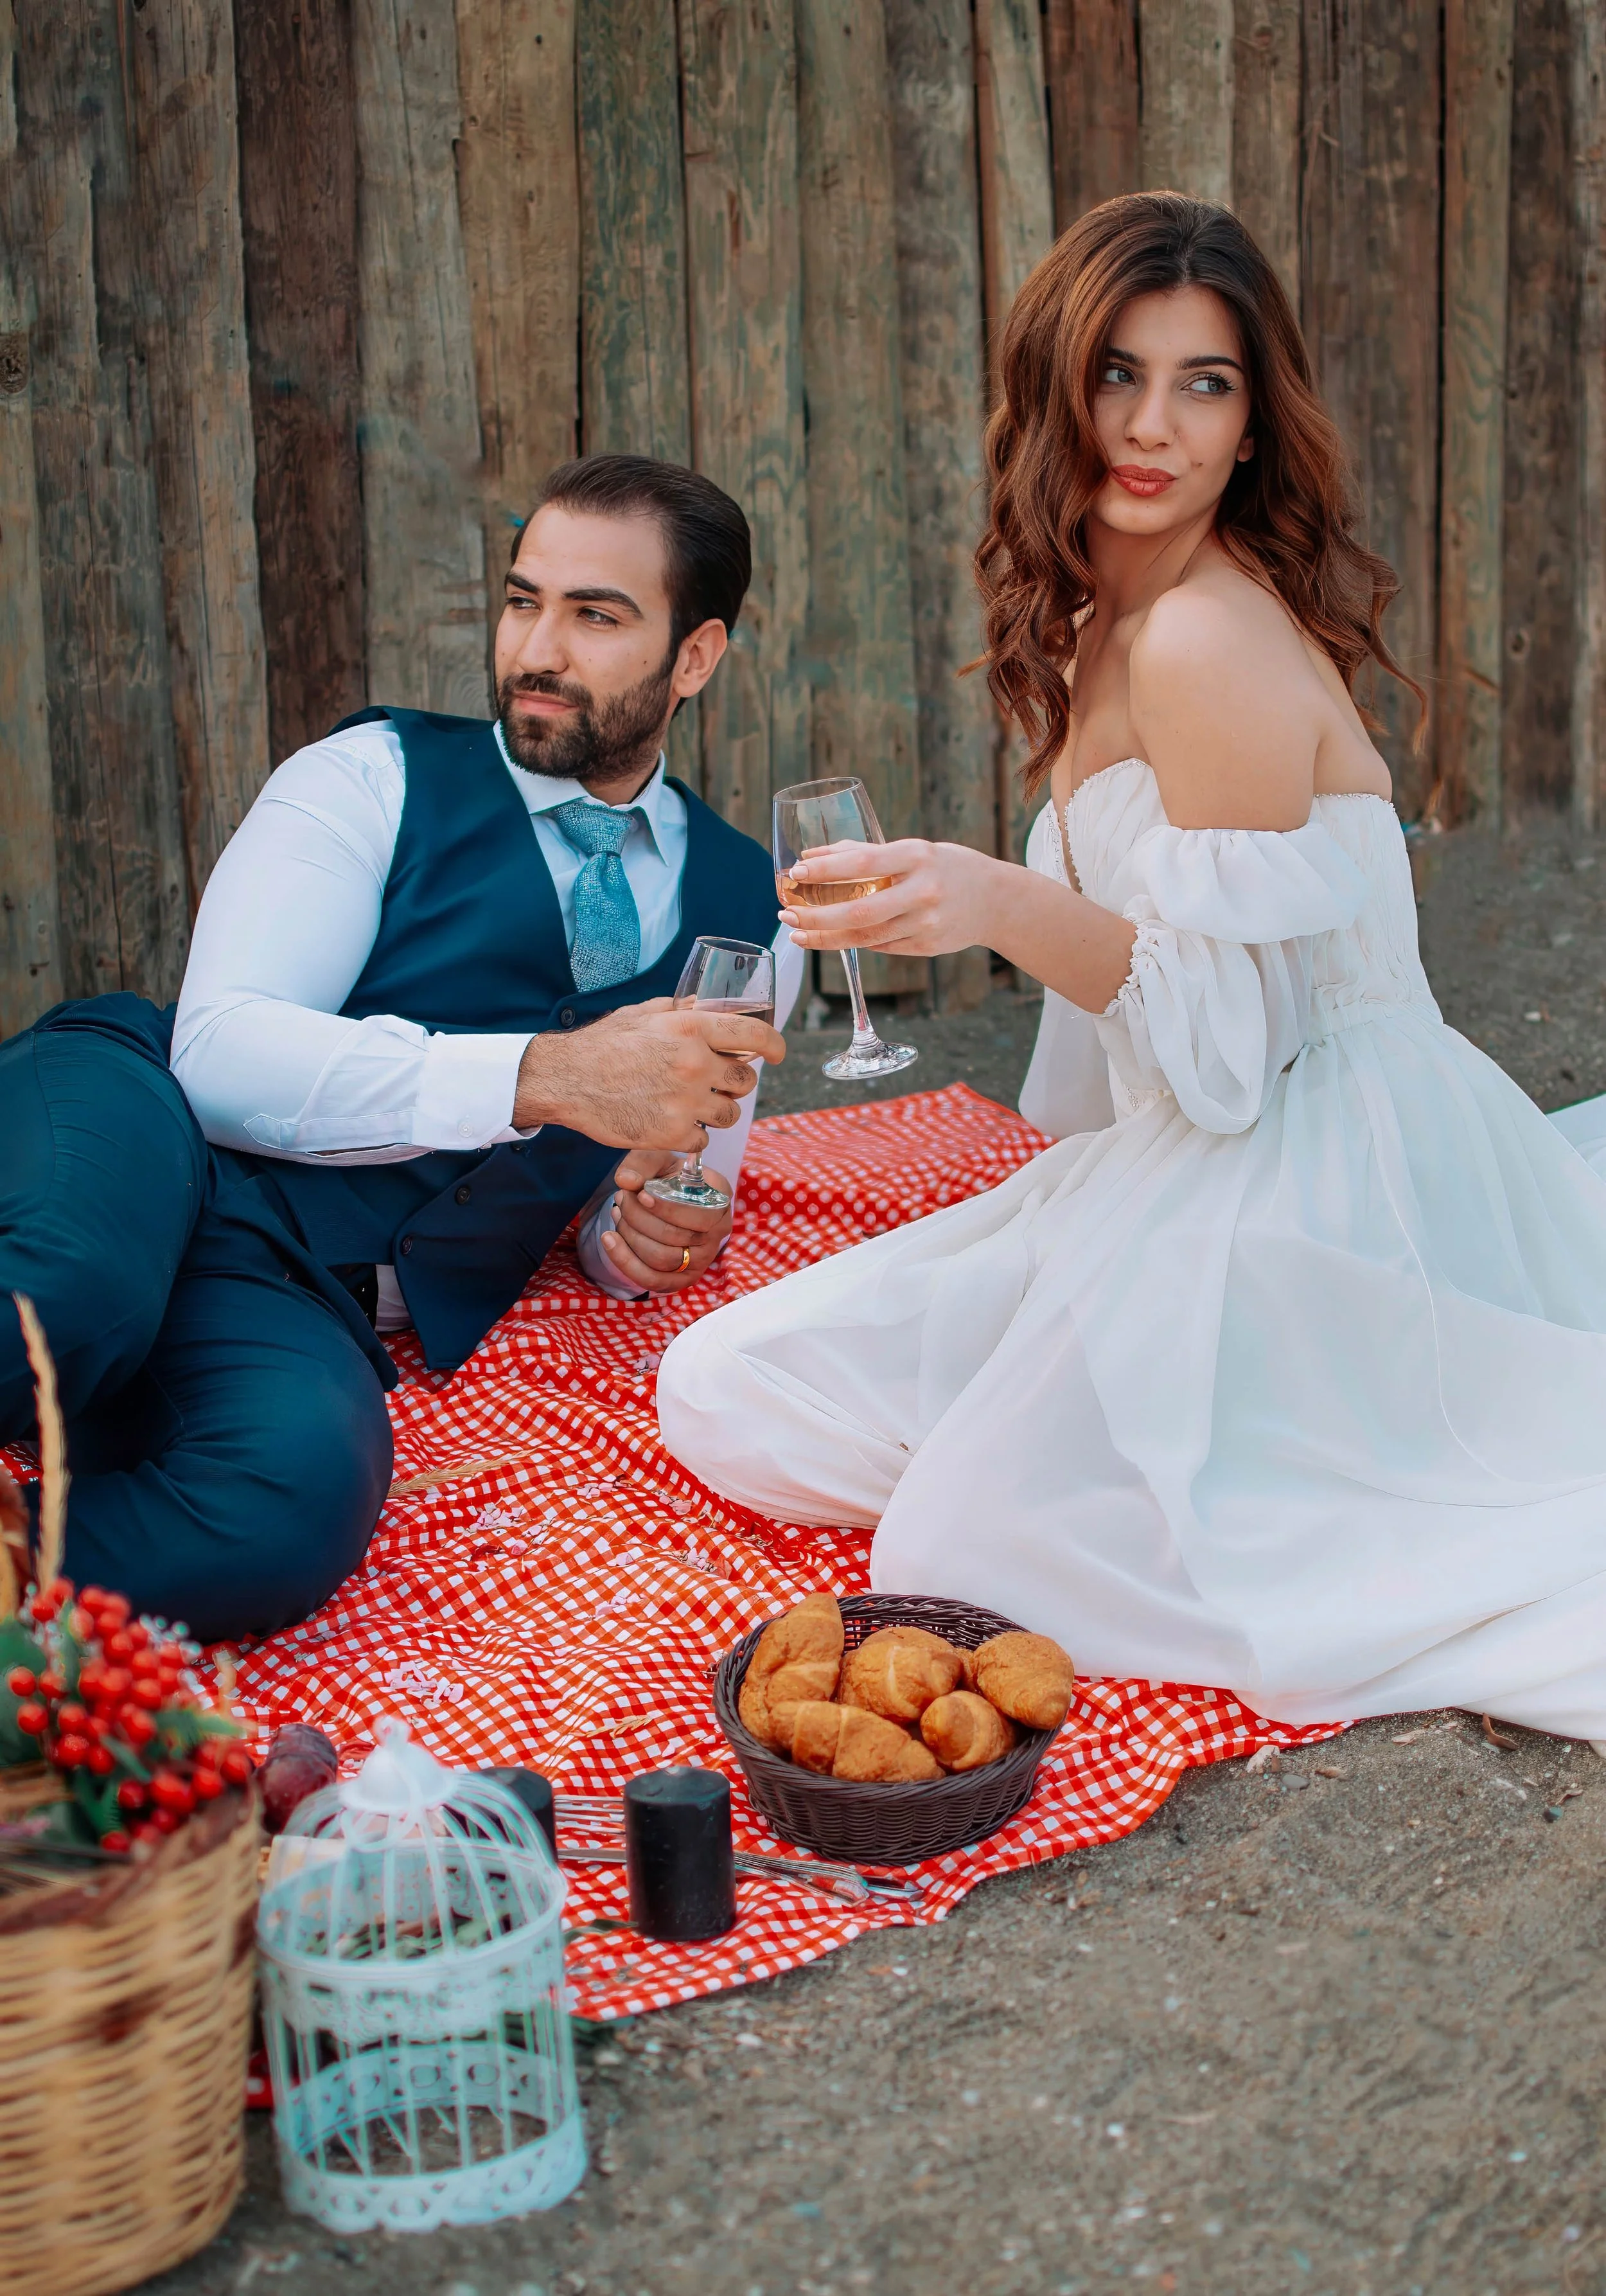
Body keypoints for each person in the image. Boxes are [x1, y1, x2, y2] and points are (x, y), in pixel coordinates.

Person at [658, 193, 1606, 1743]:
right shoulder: (1112, 609)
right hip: (1191, 1151)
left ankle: (1259, 1448)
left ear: (1251, 426)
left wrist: (987, 900)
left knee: (971, 1545)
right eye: (1117, 374)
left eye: (1203, 383)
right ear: (1057, 389)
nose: (1152, 425)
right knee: (729, 1386)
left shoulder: (1197, 641)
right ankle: (1164, 1436)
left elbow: (1233, 1058)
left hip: (1320, 1176)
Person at [0, 456, 793, 1642]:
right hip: (140, 1131)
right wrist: (547, 1074)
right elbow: (219, 1055)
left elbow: (638, 1193)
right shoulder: (368, 778)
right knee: (65, 1304)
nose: (539, 650)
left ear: (696, 655)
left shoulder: (747, 911)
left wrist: (630, 1239)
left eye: (597, 616)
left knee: (290, 1505)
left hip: (297, 1287)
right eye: (526, 601)